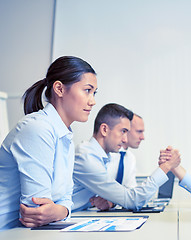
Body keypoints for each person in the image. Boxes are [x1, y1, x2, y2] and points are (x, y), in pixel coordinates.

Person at [0, 56, 98, 231]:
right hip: (8, 231)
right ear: (59, 89)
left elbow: (66, 198)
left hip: (25, 233)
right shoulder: (38, 128)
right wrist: (59, 210)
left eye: (94, 93)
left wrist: (61, 210)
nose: (92, 101)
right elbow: (37, 211)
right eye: (87, 90)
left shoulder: (64, 134)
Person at [72, 103, 180, 212]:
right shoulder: (86, 156)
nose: (125, 140)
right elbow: (133, 200)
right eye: (123, 131)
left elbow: (126, 194)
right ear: (104, 129)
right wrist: (166, 167)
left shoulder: (102, 156)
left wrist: (112, 201)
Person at [111, 114, 145, 189]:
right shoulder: (105, 154)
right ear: (126, 130)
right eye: (139, 131)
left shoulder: (130, 158)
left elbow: (131, 189)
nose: (143, 137)